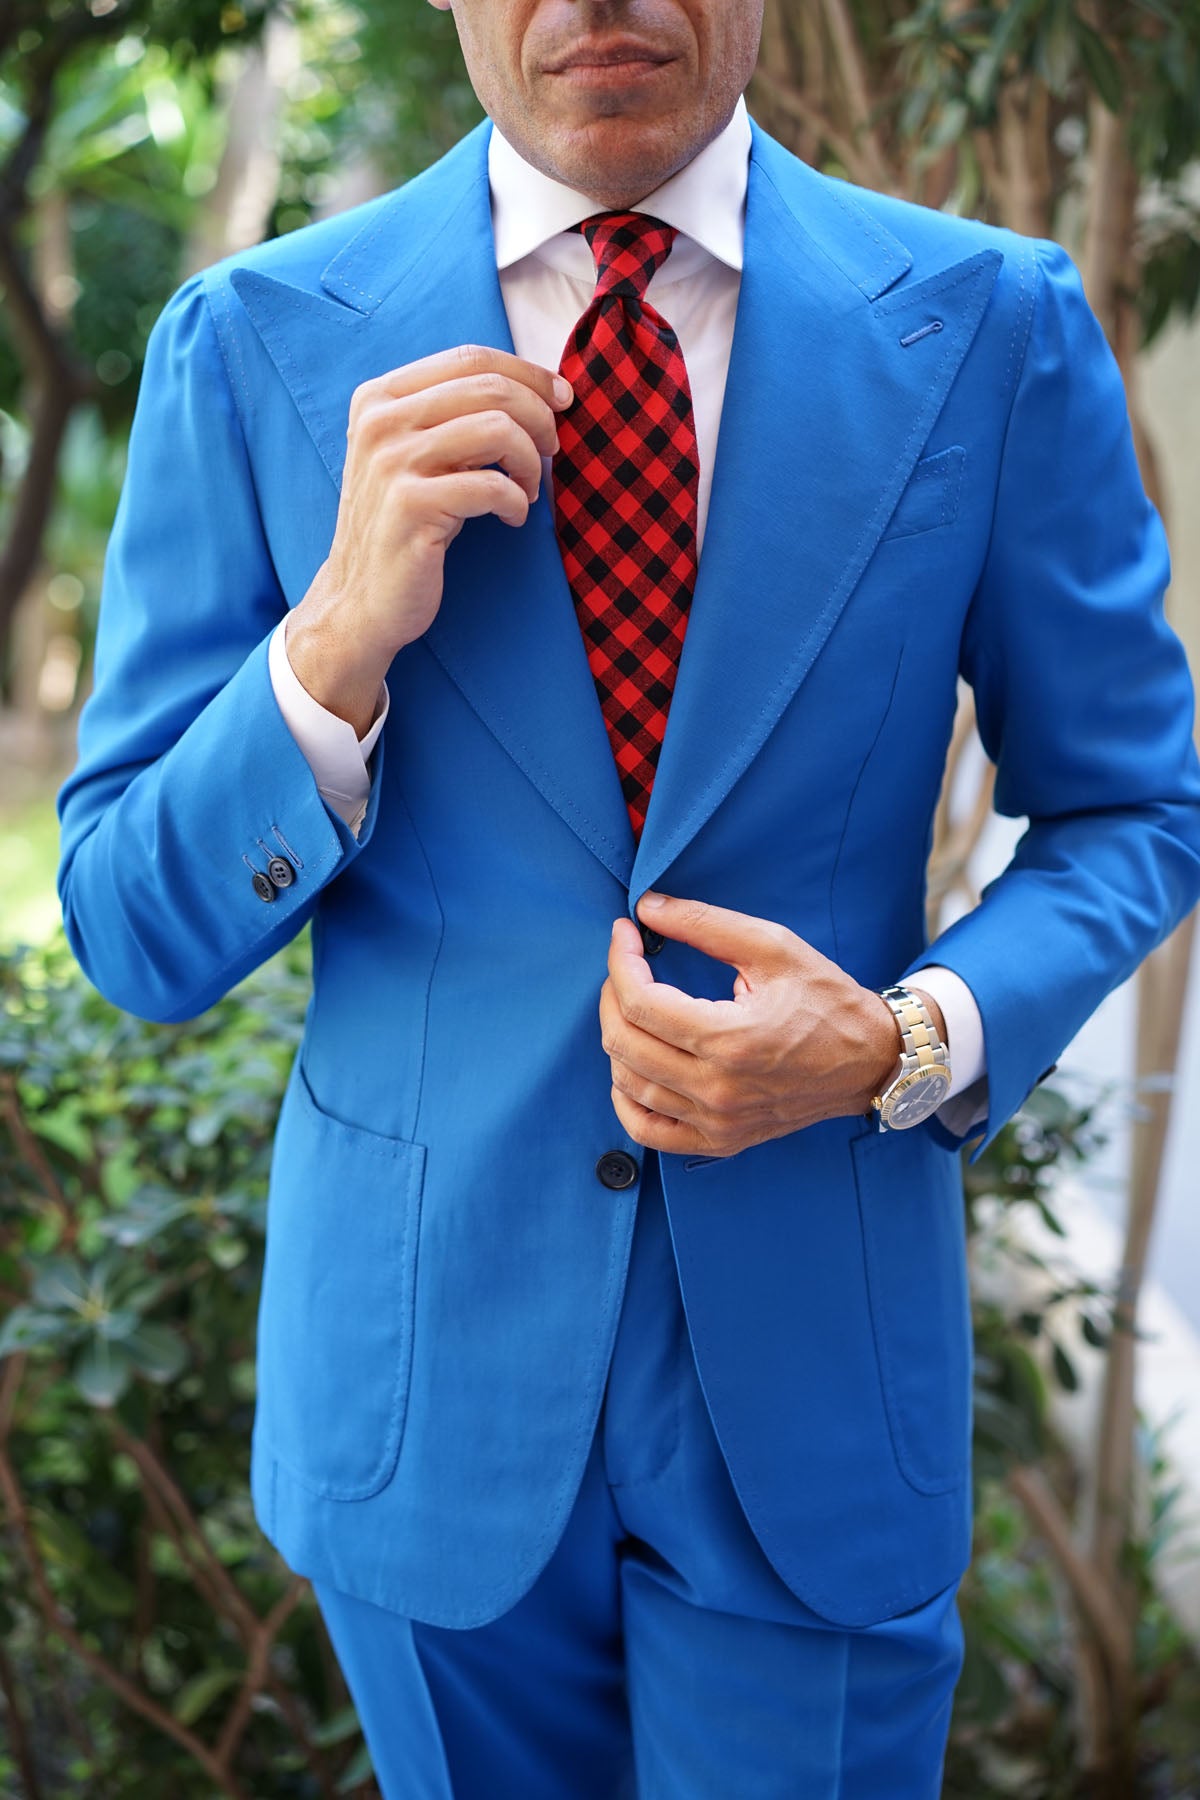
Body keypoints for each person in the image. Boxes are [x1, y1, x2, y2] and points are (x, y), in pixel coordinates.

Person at [57, 0, 1200, 1793]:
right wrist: (331, 647)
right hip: (425, 1390)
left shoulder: (990, 324)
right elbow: (133, 932)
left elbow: (1134, 803)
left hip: (814, 1386)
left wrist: (906, 1038)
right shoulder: (256, 342)